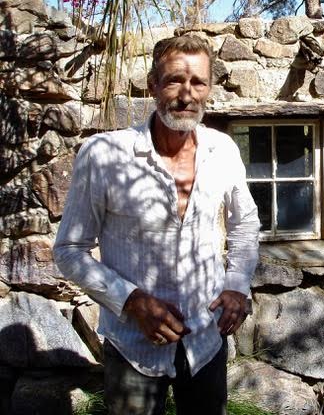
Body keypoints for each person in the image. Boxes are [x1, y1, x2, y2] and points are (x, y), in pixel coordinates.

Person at [53, 35, 260, 415]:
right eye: (174, 80)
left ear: (209, 88)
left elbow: (245, 222)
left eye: (198, 82)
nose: (186, 94)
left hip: (206, 338)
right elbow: (69, 250)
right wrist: (133, 302)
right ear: (152, 85)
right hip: (134, 344)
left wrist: (236, 285)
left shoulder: (223, 151)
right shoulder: (104, 154)